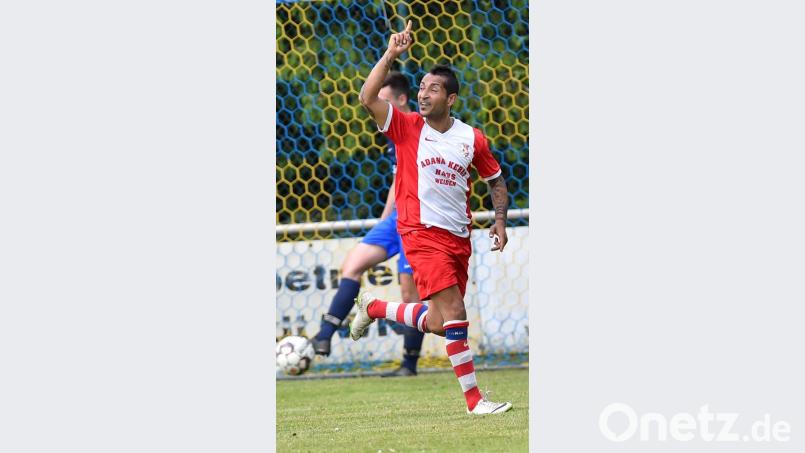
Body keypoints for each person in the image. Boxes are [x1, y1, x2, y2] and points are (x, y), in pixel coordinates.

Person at [351, 21, 513, 415]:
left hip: (458, 239)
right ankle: (475, 402)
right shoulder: (406, 127)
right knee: (457, 313)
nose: (423, 93)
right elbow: (367, 97)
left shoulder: (471, 138)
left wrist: (500, 220)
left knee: (441, 322)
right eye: (421, 87)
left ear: (451, 98)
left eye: (433, 89)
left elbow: (495, 180)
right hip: (420, 233)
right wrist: (391, 54)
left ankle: (374, 308)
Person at [312, 71, 425, 377]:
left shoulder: (420, 129)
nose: (378, 106)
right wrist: (385, 218)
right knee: (352, 265)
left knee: (410, 295)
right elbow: (397, 179)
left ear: (402, 100)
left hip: (419, 221)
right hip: (397, 219)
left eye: (384, 100)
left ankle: (409, 364)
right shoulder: (392, 135)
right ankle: (324, 334)